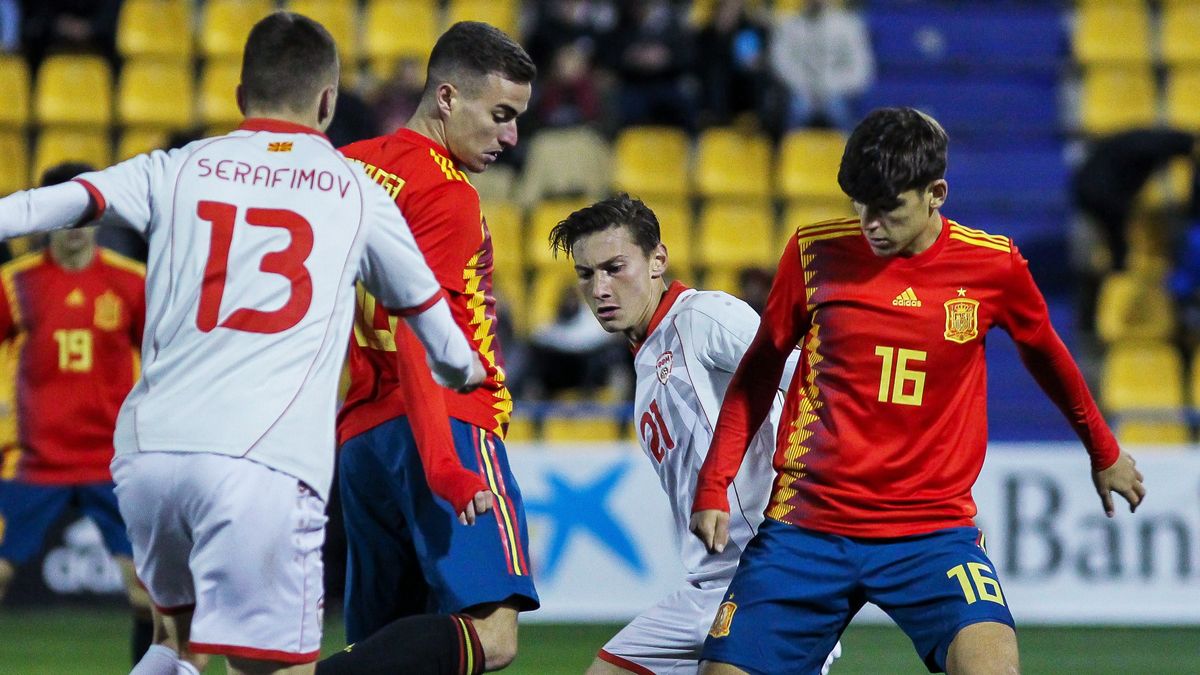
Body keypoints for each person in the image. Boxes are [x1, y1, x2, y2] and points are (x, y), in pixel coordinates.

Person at [0, 12, 486, 675]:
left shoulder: (175, 166)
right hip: (263, 465)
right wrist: (459, 366)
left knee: (179, 643)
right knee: (278, 668)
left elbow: (57, 202)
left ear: (238, 96)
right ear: (327, 101)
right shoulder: (354, 190)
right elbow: (427, 307)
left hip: (149, 457)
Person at [689, 107, 1147, 674]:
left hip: (932, 531)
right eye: (860, 206)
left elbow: (1047, 355)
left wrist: (1103, 450)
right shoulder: (814, 253)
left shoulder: (992, 266)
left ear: (936, 193)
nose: (869, 224)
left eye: (887, 209)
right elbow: (759, 371)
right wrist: (714, 483)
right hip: (809, 525)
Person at [319, 22, 539, 675]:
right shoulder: (445, 192)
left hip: (362, 439)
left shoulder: (349, 166)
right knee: (491, 637)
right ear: (447, 97)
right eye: (500, 114)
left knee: (391, 655)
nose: (511, 137)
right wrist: (445, 460)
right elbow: (422, 325)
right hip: (446, 423)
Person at [544, 195, 841, 675]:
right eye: (586, 274)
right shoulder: (645, 361)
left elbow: (816, 383)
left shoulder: (703, 316)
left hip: (771, 569)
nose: (600, 288)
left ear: (657, 259)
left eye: (614, 267)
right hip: (709, 584)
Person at [0, 162, 151, 665]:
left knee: (148, 599)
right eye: (64, 214)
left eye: (83, 214)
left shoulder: (131, 283)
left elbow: (161, 360)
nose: (75, 226)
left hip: (111, 461)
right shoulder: (13, 284)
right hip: (32, 460)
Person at [769, 0, 874, 131]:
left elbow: (861, 70)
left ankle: (851, 148)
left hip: (837, 93)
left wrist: (829, 86)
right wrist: (807, 86)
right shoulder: (789, 25)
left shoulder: (849, 26)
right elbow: (781, 64)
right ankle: (785, 149)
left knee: (839, 111)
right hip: (801, 92)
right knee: (796, 108)